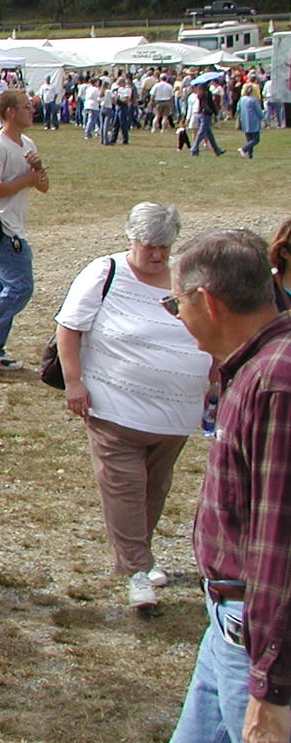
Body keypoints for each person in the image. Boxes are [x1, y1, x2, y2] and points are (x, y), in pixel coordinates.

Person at [166, 230, 291, 743]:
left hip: (254, 641)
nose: (177, 316)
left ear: (208, 302)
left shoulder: (277, 383)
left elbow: (280, 543)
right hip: (227, 628)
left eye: (177, 303)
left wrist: (271, 688)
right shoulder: (253, 366)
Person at [53, 203, 210, 609]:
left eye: (164, 246)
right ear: (130, 239)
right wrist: (74, 382)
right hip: (114, 410)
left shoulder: (185, 277)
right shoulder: (104, 273)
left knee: (154, 489)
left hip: (177, 415)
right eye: (148, 246)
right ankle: (137, 572)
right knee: (124, 489)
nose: (156, 255)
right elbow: (69, 327)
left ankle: (141, 552)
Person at [0, 89, 49, 371]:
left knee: (0, 292)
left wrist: (38, 172)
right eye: (26, 107)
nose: (32, 110)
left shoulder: (27, 143)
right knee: (20, 287)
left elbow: (42, 186)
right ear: (10, 112)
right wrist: (25, 180)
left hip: (14, 227)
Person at [191, 83, 226, 157]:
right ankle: (194, 148)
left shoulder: (200, 94)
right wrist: (214, 112)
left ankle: (217, 149)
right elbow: (210, 104)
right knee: (201, 133)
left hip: (200, 113)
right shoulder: (207, 94)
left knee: (209, 134)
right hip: (205, 114)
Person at [237, 82, 264, 159]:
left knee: (249, 139)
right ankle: (244, 149)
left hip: (244, 120)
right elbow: (258, 111)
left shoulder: (241, 99)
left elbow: (238, 109)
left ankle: (250, 155)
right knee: (256, 139)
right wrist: (262, 118)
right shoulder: (254, 100)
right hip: (253, 121)